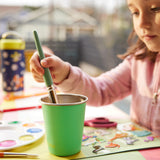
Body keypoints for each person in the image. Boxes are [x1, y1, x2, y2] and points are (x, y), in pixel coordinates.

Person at [30, 0, 160, 136]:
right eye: (135, 12)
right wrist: (64, 73)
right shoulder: (137, 62)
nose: (141, 23)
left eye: (156, 9)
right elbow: (101, 90)